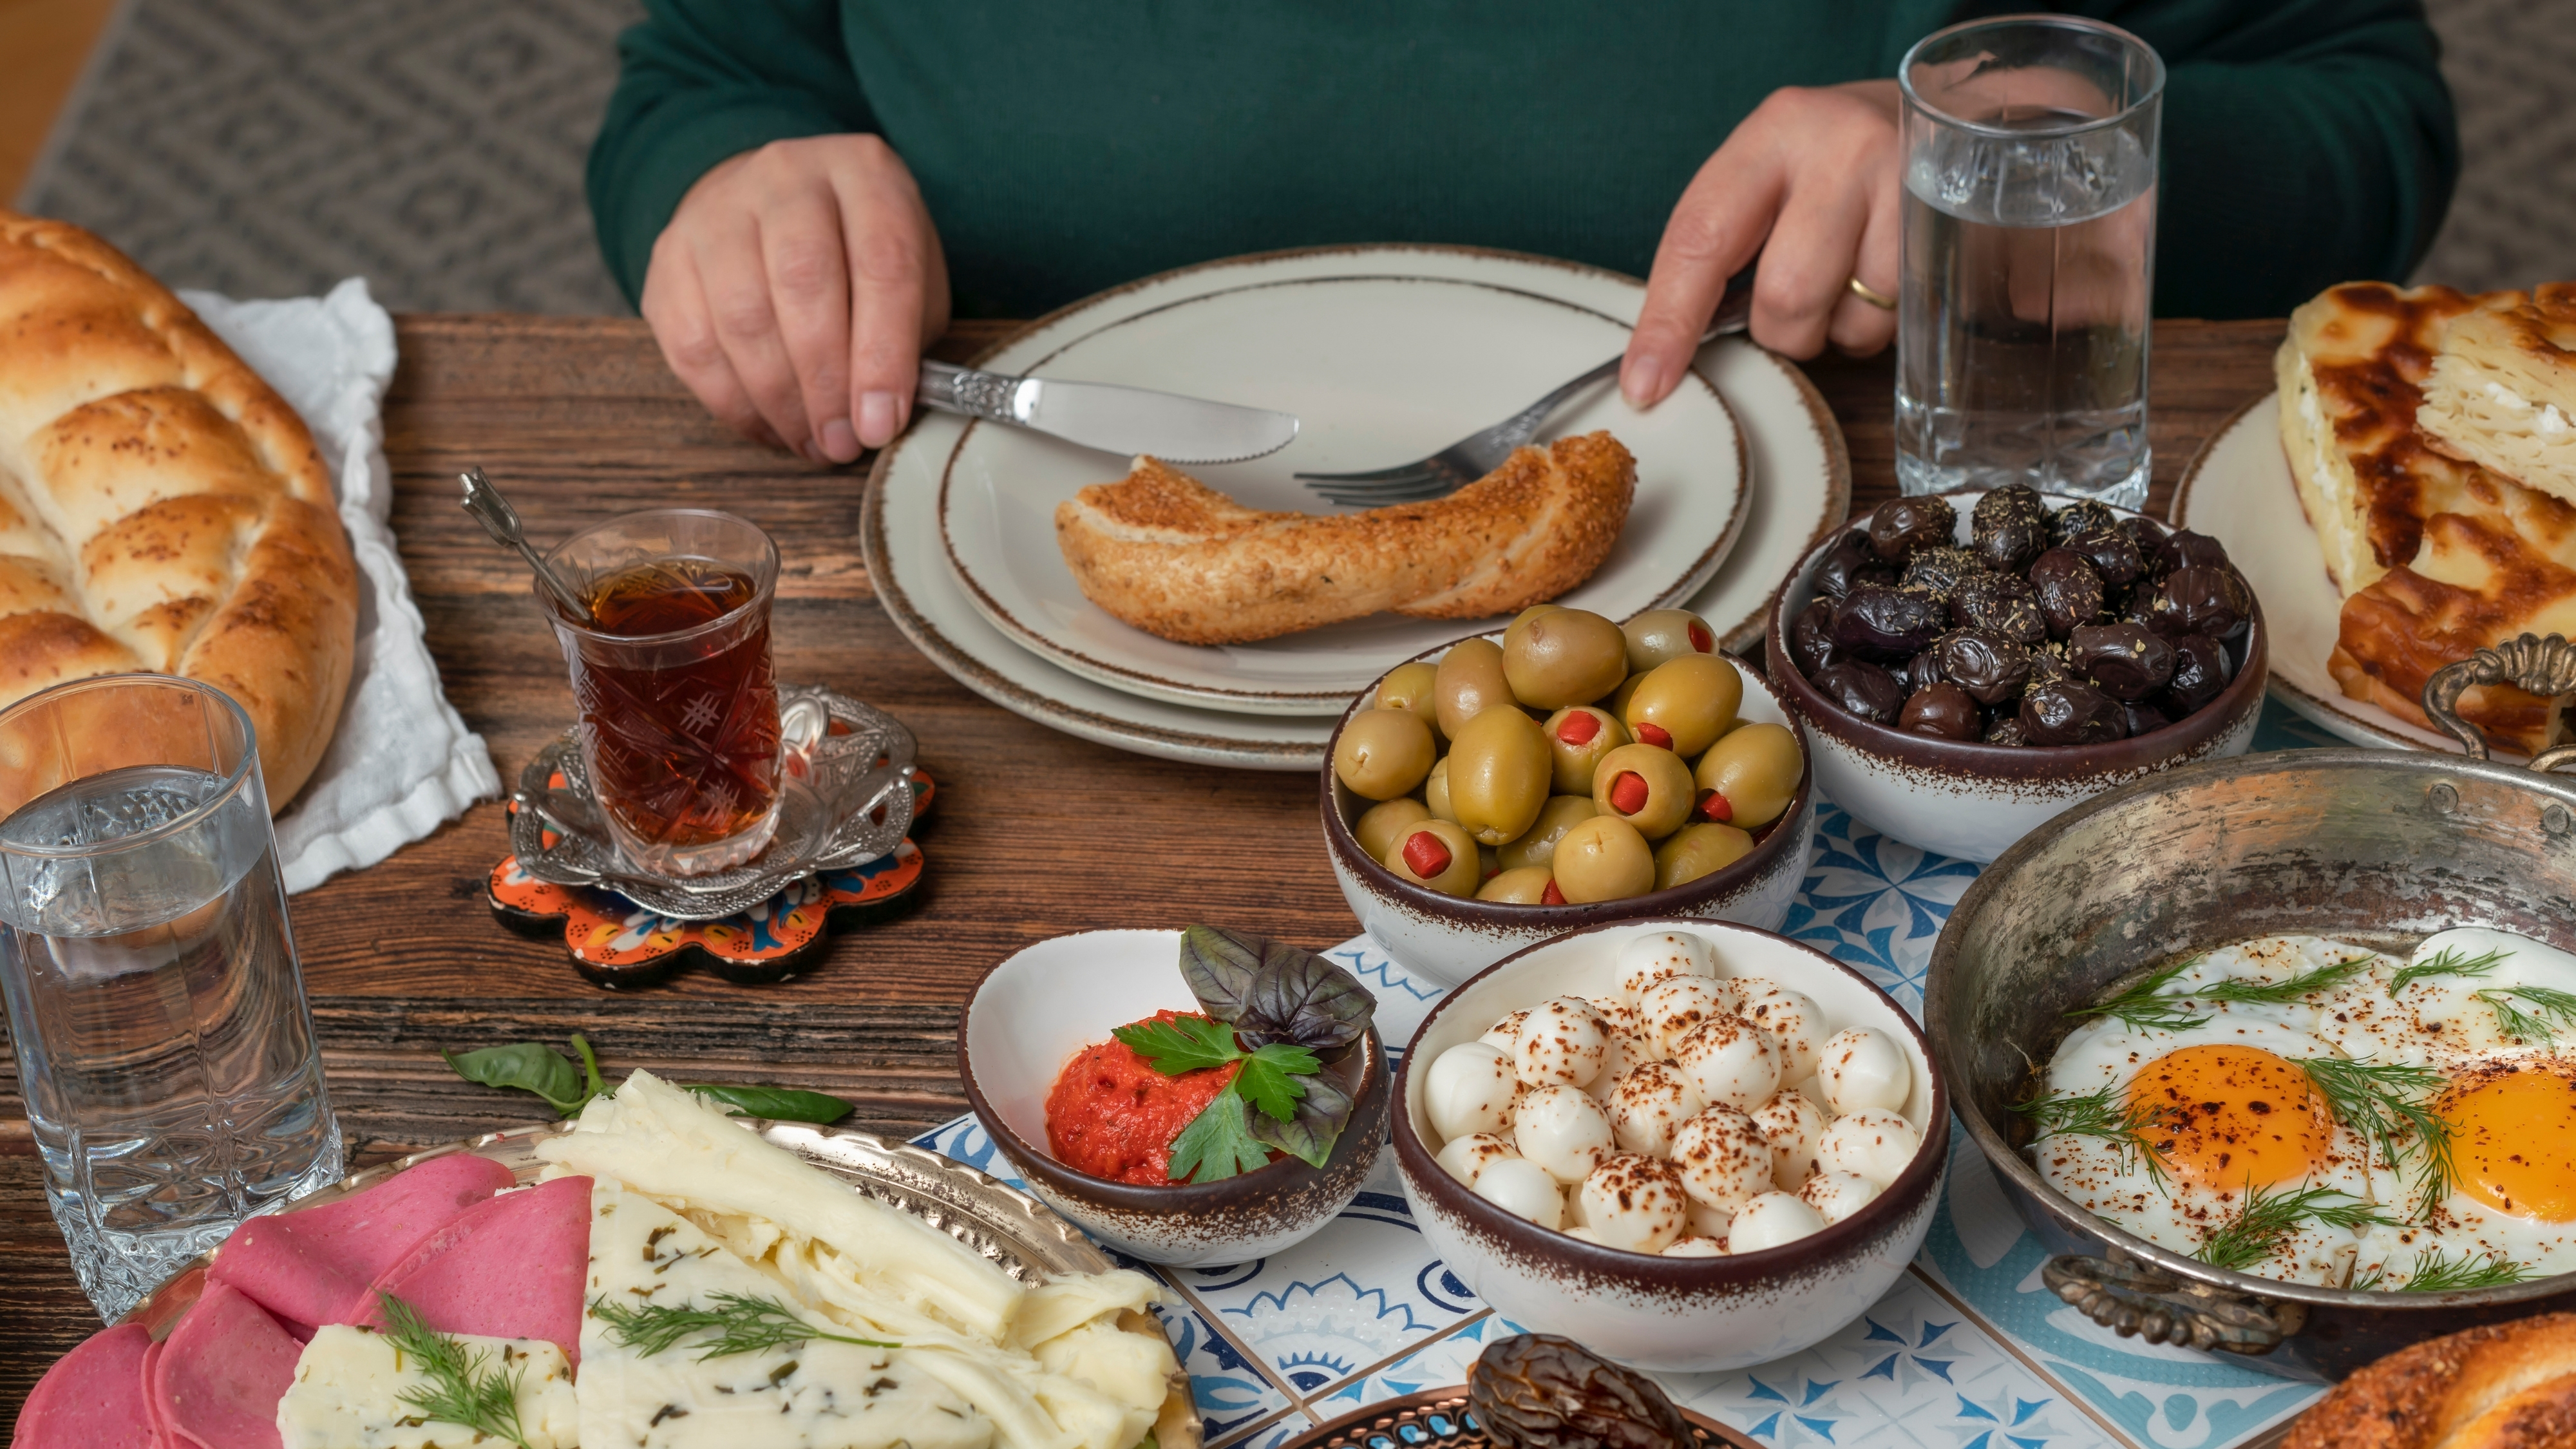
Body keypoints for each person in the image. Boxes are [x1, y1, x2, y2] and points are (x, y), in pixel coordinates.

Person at [588, 2, 2456, 466]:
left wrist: (2030, 160)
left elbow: (2354, 105)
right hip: (974, 652)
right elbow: (714, 66)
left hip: (1856, 672)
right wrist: (740, 177)